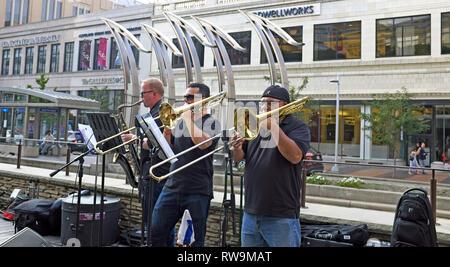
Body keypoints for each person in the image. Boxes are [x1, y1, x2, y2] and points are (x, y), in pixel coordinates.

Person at [232, 84, 311, 247]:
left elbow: (295, 156)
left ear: (284, 105)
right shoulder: (255, 128)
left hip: (281, 215)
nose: (264, 106)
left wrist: (274, 128)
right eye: (262, 102)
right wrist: (236, 147)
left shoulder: (297, 127)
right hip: (251, 212)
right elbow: (239, 158)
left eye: (270, 102)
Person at [150, 82, 221, 247]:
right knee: (157, 231)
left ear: (204, 100)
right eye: (185, 97)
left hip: (197, 189)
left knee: (195, 241)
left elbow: (203, 144)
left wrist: (189, 119)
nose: (185, 100)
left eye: (190, 97)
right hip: (173, 185)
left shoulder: (212, 122)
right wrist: (167, 130)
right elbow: (168, 149)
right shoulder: (180, 122)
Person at [121, 78, 174, 245]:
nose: (141, 96)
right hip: (149, 172)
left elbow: (156, 143)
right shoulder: (151, 112)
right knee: (151, 221)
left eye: (143, 93)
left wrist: (134, 139)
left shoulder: (162, 112)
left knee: (158, 222)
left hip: (157, 174)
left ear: (154, 93)